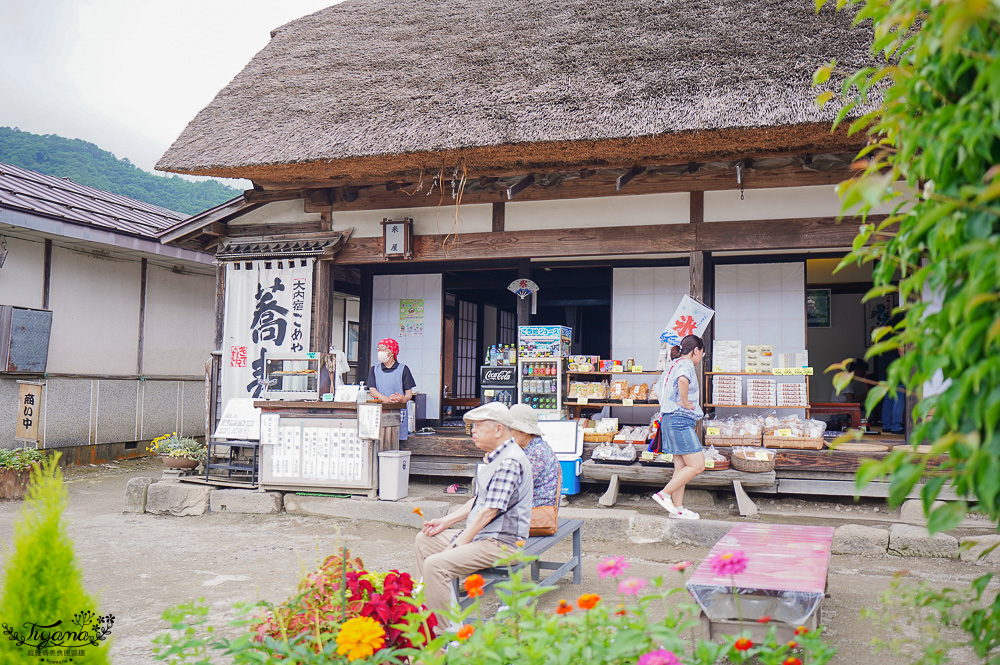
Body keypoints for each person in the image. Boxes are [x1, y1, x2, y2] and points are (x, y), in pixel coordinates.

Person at [414, 402, 532, 613]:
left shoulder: (510, 461)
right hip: (485, 537)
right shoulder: (498, 456)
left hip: (501, 543)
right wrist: (445, 522)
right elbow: (480, 500)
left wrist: (458, 543)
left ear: (498, 429)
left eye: (478, 425)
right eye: (472, 426)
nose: (472, 431)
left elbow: (489, 511)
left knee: (435, 564)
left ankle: (443, 629)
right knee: (425, 540)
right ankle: (435, 605)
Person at [651, 334, 706, 520]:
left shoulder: (672, 364)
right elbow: (683, 380)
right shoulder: (686, 364)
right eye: (701, 354)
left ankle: (677, 508)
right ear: (696, 351)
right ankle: (664, 494)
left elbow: (657, 390)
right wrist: (684, 401)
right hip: (680, 419)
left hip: (669, 418)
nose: (700, 358)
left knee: (681, 468)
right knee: (698, 465)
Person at [508, 403, 560, 507]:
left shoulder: (536, 453)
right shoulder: (534, 447)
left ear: (525, 431)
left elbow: (514, 487)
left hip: (533, 511)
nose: (508, 433)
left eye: (511, 429)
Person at [368, 338, 416, 440]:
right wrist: (387, 399)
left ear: (392, 351)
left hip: (399, 410)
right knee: (380, 437)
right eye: (378, 349)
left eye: (383, 349)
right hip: (380, 409)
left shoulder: (403, 369)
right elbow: (372, 391)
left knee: (397, 438)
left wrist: (403, 398)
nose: (380, 352)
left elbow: (409, 393)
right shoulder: (374, 370)